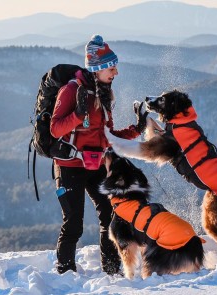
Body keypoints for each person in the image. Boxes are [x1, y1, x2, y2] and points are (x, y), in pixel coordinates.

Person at [50, 34, 148, 275]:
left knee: (111, 215)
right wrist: (77, 114)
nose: (116, 73)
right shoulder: (71, 90)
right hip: (69, 165)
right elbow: (55, 129)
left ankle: (112, 270)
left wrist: (137, 129)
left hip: (95, 165)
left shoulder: (104, 94)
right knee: (73, 222)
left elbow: (107, 135)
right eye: (112, 68)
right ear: (97, 69)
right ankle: (65, 273)